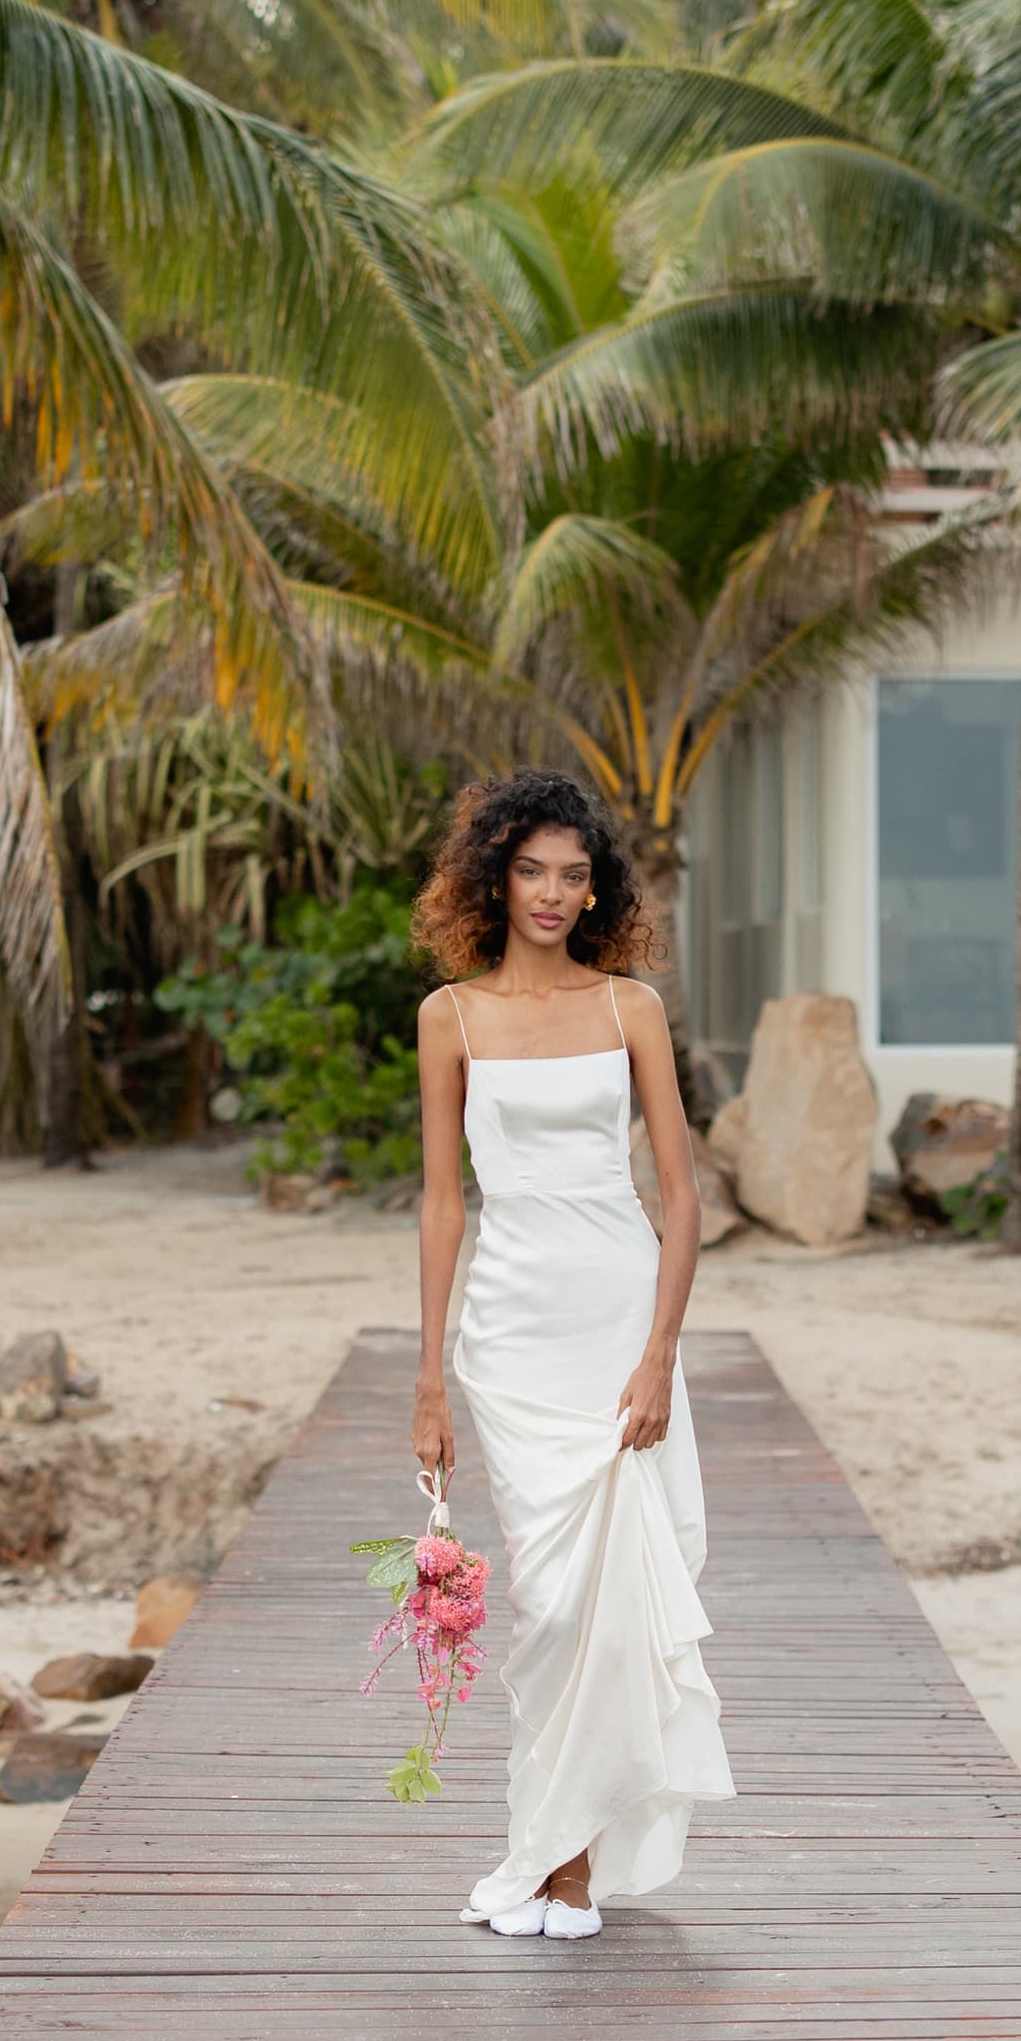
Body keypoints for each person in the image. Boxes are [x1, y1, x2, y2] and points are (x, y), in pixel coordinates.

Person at [409, 768, 733, 1941]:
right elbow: (444, 1205)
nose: (554, 892)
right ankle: (548, 1845)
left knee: (612, 1588)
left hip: (614, 1314)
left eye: (575, 873)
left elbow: (683, 1199)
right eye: (534, 870)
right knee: (549, 1601)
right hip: (509, 1331)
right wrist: (431, 1370)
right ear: (495, 877)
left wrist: (659, 1353)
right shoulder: (449, 1017)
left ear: (597, 888)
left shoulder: (627, 1007)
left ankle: (572, 1867)